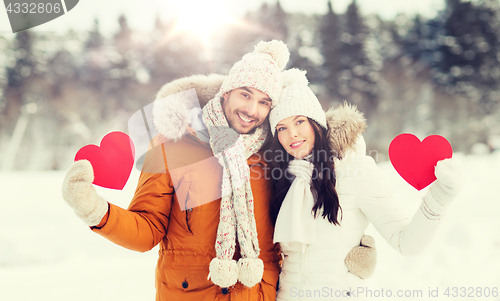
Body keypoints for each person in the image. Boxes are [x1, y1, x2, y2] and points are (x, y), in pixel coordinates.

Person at [61, 41, 375, 301]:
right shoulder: (173, 144)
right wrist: (94, 210)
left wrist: (349, 253)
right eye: (245, 95)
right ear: (226, 92)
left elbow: (311, 212)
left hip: (258, 293)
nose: (252, 110)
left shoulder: (274, 152)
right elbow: (147, 229)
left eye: (265, 102)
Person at [267, 69, 463, 300]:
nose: (293, 134)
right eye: (282, 128)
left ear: (316, 123)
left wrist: (439, 198)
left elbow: (406, 243)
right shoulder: (282, 179)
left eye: (299, 121)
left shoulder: (355, 171)